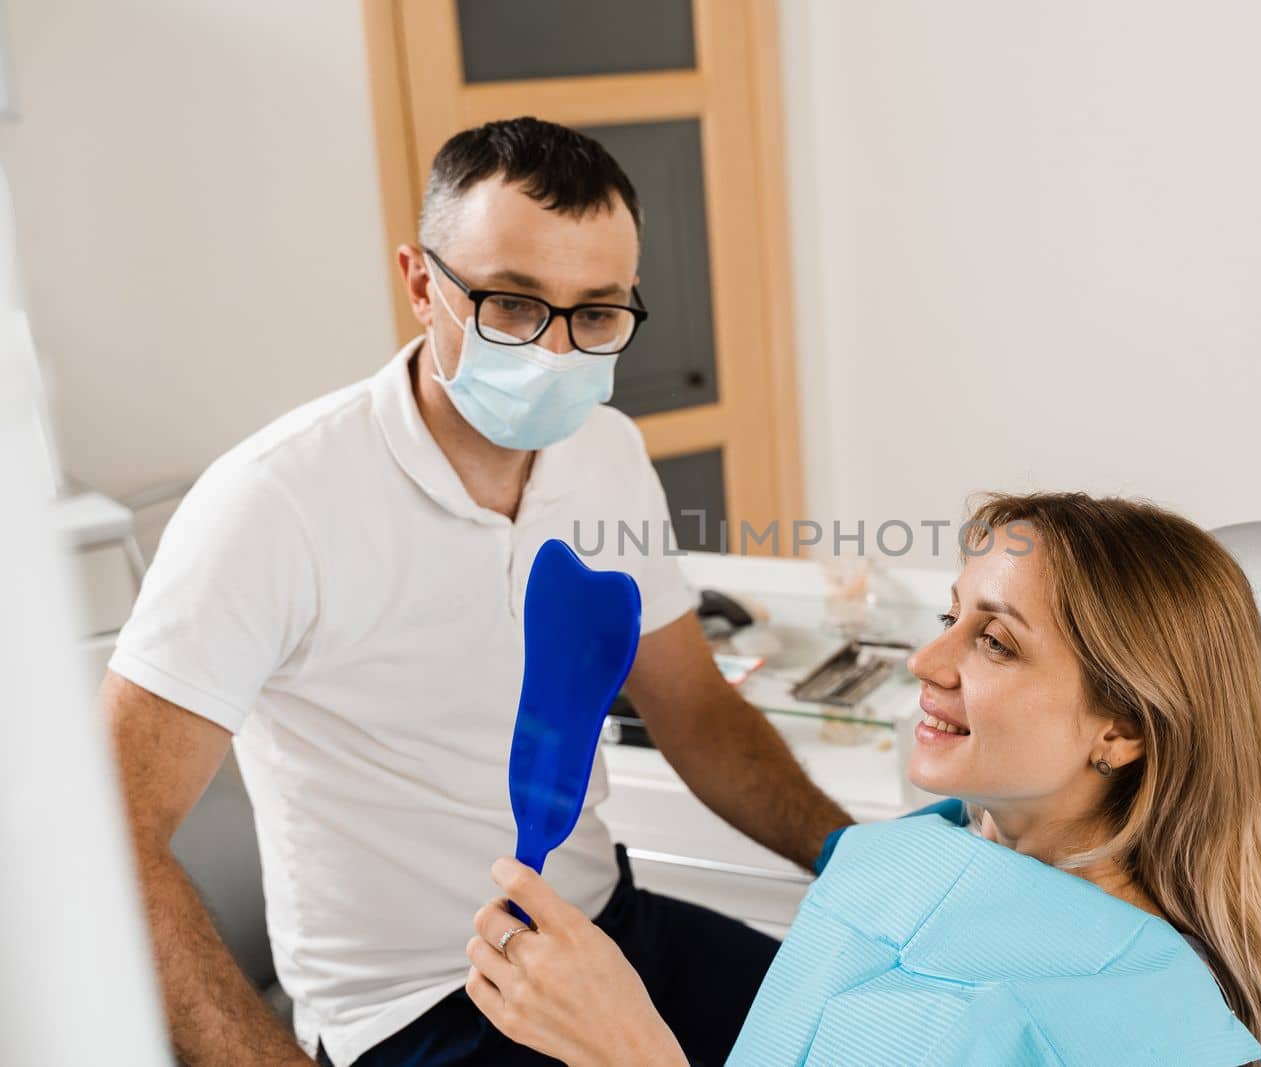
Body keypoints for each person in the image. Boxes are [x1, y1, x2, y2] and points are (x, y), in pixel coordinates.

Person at [104, 117, 852, 1067]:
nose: (555, 350)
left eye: (597, 312)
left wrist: (854, 858)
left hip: (601, 930)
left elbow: (695, 709)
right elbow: (110, 832)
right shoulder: (275, 503)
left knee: (878, 1026)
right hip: (418, 1009)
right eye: (511, 304)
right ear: (423, 285)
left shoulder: (607, 452)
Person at [464, 492, 1261, 1065]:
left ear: (1125, 727)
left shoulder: (1142, 1021)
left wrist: (631, 1050)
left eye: (994, 641)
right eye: (953, 614)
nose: (926, 658)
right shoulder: (925, 843)